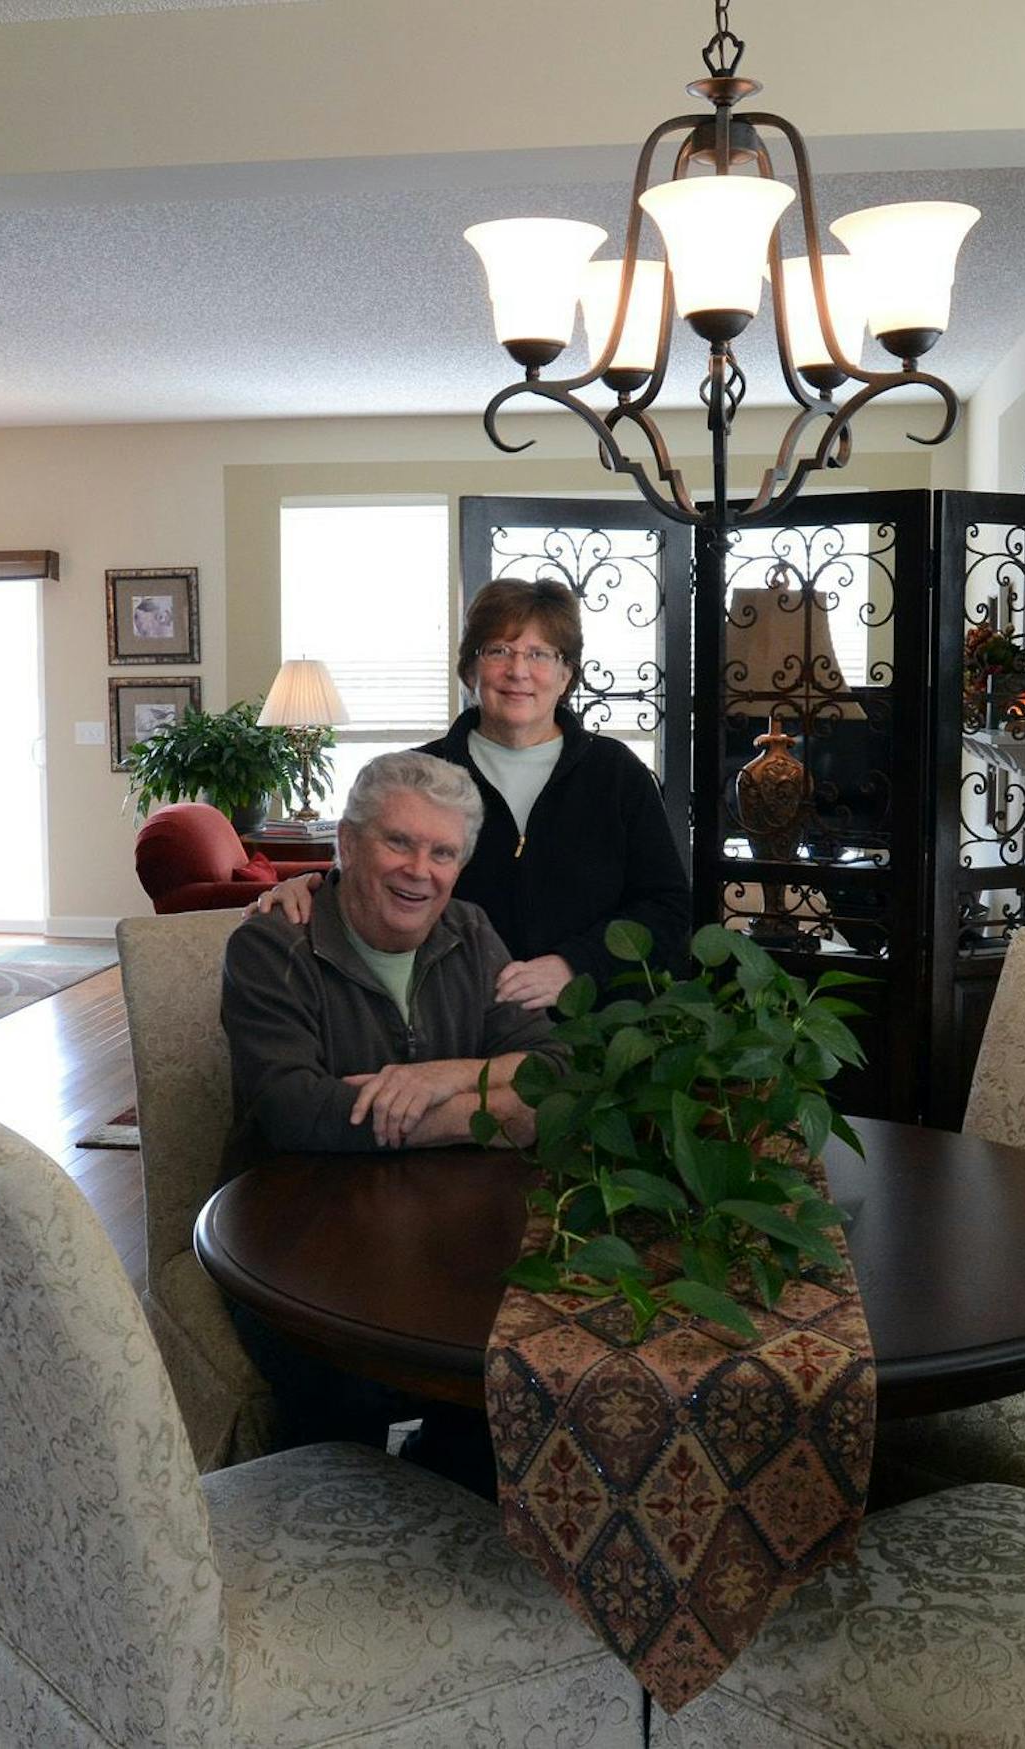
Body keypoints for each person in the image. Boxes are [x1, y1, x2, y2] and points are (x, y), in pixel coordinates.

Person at [219, 750, 549, 1490]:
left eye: (442, 852)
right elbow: (297, 1109)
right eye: (398, 841)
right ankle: (313, 1568)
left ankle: (454, 1548)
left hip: (451, 1233)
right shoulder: (273, 945)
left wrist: (441, 1078)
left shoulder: (472, 930)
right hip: (292, 1245)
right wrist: (494, 1110)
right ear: (346, 842)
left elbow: (555, 1077)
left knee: (505, 1384)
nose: (419, 870)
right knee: (340, 1419)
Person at [249, 578, 690, 1008]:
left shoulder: (615, 773)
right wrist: (305, 889)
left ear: (565, 675)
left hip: (594, 1024)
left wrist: (575, 966)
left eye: (539, 654)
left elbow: (667, 908)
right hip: (450, 1021)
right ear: (470, 669)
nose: (518, 671)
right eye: (499, 650)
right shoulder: (416, 775)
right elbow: (369, 882)